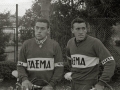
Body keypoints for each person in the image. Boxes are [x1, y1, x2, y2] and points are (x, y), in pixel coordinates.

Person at [64, 18, 116, 90]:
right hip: (74, 83)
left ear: (86, 29)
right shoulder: (70, 42)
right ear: (72, 30)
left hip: (89, 84)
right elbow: (69, 58)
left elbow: (110, 62)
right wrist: (72, 72)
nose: (81, 32)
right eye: (78, 29)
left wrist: (101, 83)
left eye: (83, 28)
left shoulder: (95, 43)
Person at [17, 18, 63, 90]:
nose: (39, 31)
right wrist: (24, 80)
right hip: (30, 87)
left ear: (48, 30)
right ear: (34, 28)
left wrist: (51, 85)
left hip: (48, 87)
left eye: (42, 28)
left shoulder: (55, 45)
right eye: (37, 28)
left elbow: (59, 69)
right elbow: (20, 66)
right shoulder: (26, 44)